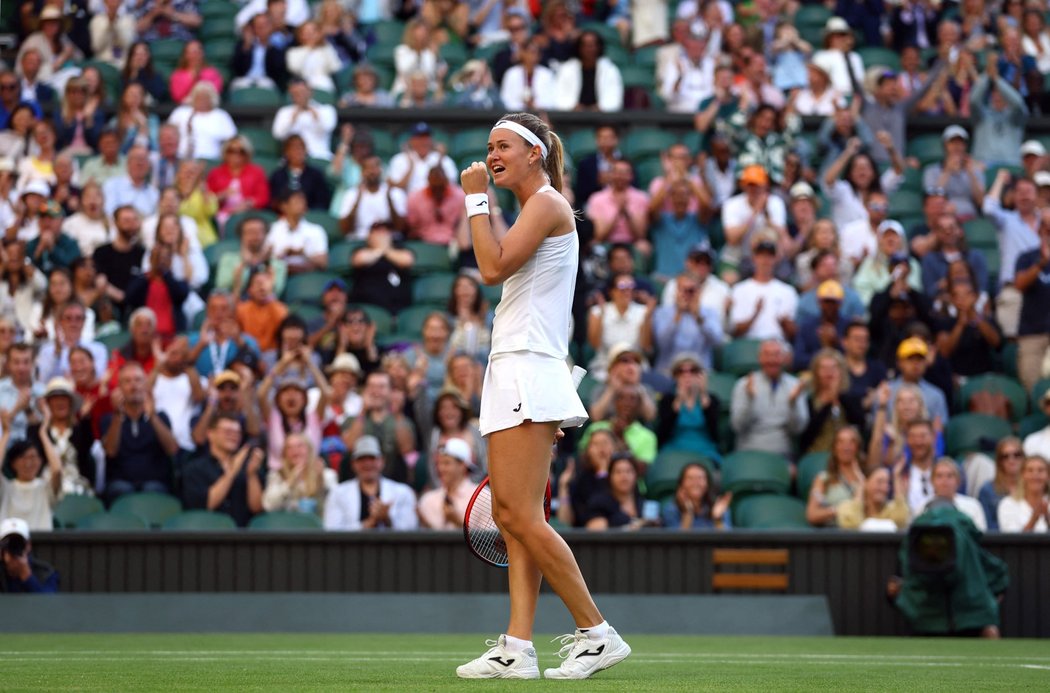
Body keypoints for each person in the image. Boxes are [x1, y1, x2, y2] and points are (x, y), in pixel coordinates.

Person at [456, 113, 630, 679]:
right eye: (489, 147)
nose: (492, 154)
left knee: (521, 517)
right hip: (523, 369)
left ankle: (597, 633)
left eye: (503, 146)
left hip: (527, 370)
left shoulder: (548, 204)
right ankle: (517, 646)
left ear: (535, 154)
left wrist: (476, 201)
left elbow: (490, 267)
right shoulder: (540, 208)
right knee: (514, 517)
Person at [100, 362, 179, 504]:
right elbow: (110, 451)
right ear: (119, 388)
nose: (133, 386)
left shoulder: (161, 417)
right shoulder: (109, 420)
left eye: (138, 380)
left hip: (155, 483)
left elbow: (172, 449)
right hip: (120, 484)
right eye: (127, 381)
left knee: (152, 489)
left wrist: (152, 417)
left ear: (146, 385)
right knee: (120, 490)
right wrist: (118, 415)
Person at [729, 339, 809, 458]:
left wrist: (793, 404)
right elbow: (737, 426)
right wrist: (750, 400)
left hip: (783, 455)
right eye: (767, 355)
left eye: (776, 355)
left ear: (784, 358)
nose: (771, 360)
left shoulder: (795, 386)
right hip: (749, 454)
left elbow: (798, 429)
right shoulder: (743, 384)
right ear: (759, 358)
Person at [323, 435, 419, 530]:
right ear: (353, 464)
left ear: (382, 461)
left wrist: (387, 519)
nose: (367, 464)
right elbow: (332, 530)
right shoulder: (338, 494)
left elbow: (411, 529)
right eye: (362, 459)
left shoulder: (403, 492)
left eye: (372, 458)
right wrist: (369, 523)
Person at [262, 432, 337, 516]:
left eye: (300, 446)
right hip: (286, 525)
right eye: (289, 448)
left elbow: (335, 506)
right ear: (284, 454)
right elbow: (269, 506)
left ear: (309, 450)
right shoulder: (276, 476)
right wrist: (289, 483)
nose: (295, 451)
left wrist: (320, 480)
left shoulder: (327, 475)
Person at [418, 437, 478, 529]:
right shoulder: (427, 500)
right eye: (438, 463)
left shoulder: (481, 496)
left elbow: (489, 541)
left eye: (446, 463)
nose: (440, 468)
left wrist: (458, 522)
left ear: (462, 465)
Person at [977, 438, 1025, 531]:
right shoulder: (987, 490)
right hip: (999, 542)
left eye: (1016, 455)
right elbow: (987, 526)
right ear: (999, 461)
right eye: (1005, 456)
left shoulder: (1033, 487)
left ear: (1024, 458)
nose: (1011, 460)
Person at [0, 517, 58, 593]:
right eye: (8, 543)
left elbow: (48, 603)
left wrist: (26, 575)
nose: (13, 547)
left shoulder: (46, 573)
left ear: (28, 545)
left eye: (18, 543)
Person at [927, 458, 987, 531]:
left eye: (949, 476)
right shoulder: (923, 507)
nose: (944, 480)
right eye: (939, 476)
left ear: (958, 480)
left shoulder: (973, 506)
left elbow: (980, 536)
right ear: (932, 481)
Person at [997, 455, 1049, 532]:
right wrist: (1033, 520)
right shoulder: (1008, 504)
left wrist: (1047, 519)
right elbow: (1012, 540)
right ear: (1022, 475)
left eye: (1040, 470)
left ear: (1048, 476)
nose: (1035, 474)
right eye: (1030, 470)